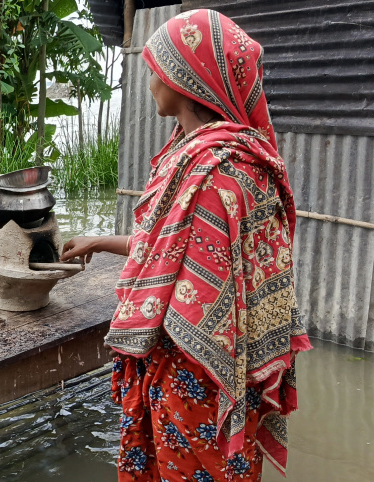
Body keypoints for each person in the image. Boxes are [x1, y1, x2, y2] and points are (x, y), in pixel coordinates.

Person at [60, 9, 312, 481]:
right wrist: (99, 240)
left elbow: (199, 289)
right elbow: (174, 251)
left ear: (186, 78)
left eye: (158, 68)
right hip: (188, 373)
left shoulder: (218, 174)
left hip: (199, 380)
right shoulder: (202, 158)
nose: (151, 79)